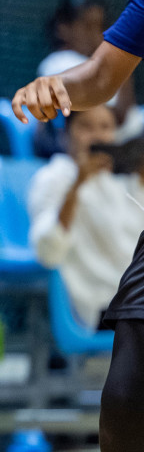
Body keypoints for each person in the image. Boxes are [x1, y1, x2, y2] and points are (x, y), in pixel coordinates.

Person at [12, 0, 144, 452]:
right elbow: (99, 77)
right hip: (96, 292)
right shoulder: (63, 177)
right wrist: (55, 86)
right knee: (125, 396)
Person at [27, 104, 144, 329]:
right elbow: (48, 253)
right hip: (101, 304)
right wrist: (77, 186)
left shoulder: (121, 181)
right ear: (66, 134)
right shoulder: (53, 178)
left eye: (105, 127)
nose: (97, 135)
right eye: (86, 127)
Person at [39, 0, 139, 140]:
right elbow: (117, 116)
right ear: (63, 28)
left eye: (100, 26)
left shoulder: (100, 63)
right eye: (88, 26)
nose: (97, 34)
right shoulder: (59, 62)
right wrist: (124, 53)